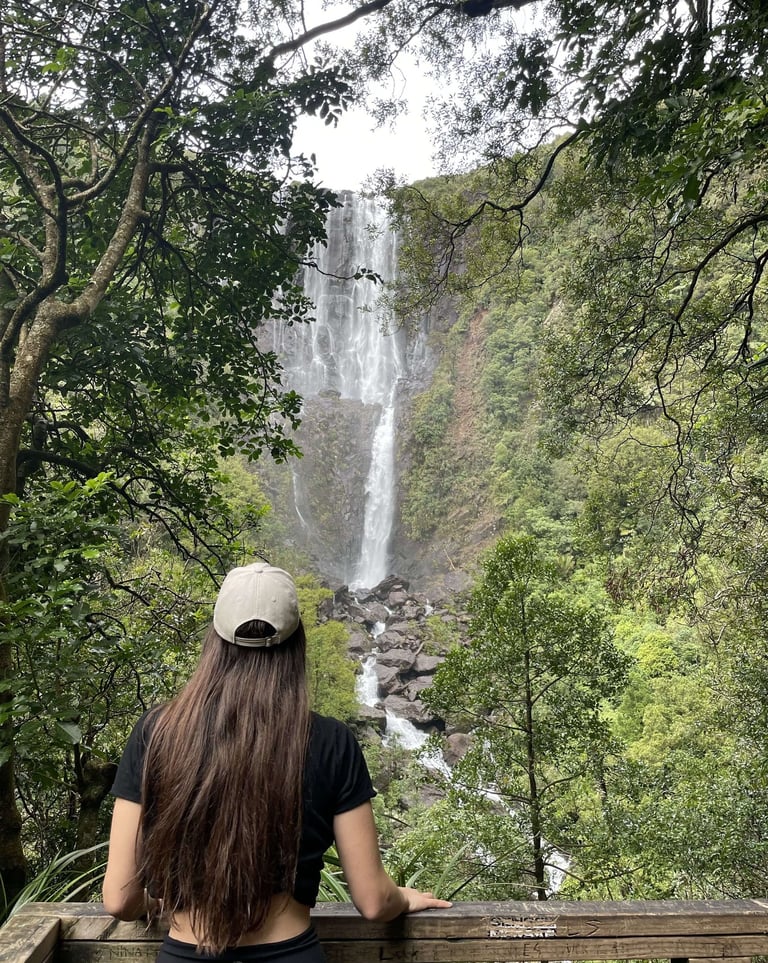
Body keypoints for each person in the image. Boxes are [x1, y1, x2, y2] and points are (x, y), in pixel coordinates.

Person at [103, 561, 451, 962]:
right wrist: (401, 899)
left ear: (213, 639)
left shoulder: (156, 733)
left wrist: (159, 903)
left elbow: (119, 899)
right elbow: (373, 902)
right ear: (297, 641)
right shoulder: (331, 741)